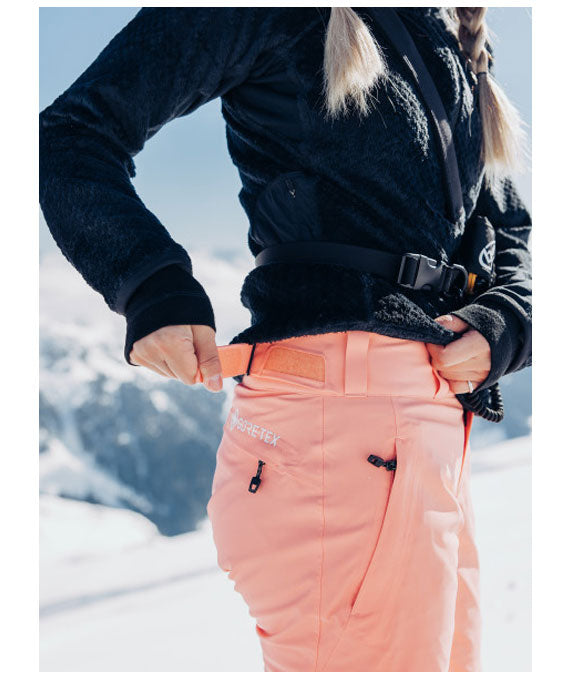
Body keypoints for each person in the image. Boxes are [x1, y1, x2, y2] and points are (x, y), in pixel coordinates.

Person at [39, 7, 532, 671]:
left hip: (435, 440)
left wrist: (509, 318)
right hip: (338, 443)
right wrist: (150, 284)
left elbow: (508, 231)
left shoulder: (450, 37)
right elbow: (71, 135)